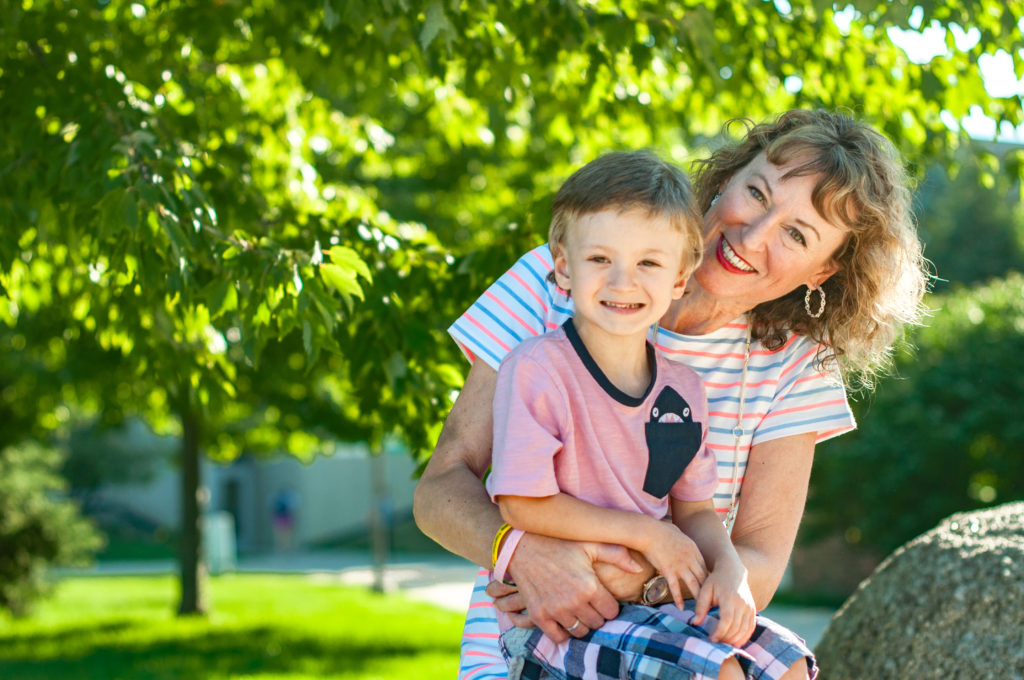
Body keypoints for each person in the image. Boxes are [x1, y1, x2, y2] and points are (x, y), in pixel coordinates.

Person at [413, 109, 929, 680]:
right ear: (726, 177)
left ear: (823, 270)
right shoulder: (562, 279)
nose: (753, 236)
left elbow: (757, 564)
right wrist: (523, 554)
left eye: (796, 234)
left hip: (674, 628)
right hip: (530, 636)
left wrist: (627, 574)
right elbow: (440, 490)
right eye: (756, 193)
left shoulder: (795, 367)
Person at [488, 151, 761, 680]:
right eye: (599, 260)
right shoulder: (538, 370)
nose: (622, 282)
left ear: (681, 277)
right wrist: (649, 535)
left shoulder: (683, 389)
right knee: (721, 672)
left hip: (656, 606)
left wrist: (730, 570)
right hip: (562, 622)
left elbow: (695, 511)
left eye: (649, 263)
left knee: (788, 665)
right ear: (564, 265)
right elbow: (522, 503)